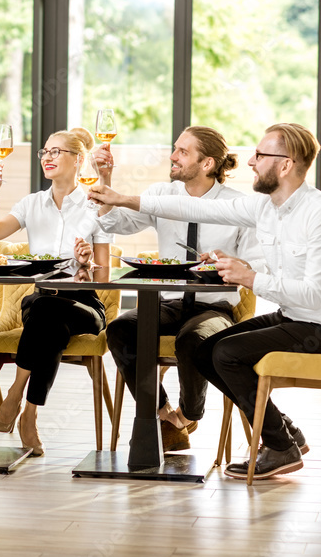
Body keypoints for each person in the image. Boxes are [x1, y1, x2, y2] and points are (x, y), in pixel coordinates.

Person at [89, 123, 321, 480]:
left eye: (260, 155)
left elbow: (314, 294)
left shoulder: (320, 213)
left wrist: (249, 276)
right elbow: (196, 209)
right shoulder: (266, 207)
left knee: (224, 353)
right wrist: (122, 198)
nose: (250, 161)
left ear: (285, 165)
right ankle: (286, 432)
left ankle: (280, 446)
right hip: (293, 316)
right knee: (207, 352)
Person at [93, 126, 263, 452]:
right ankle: (162, 412)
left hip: (214, 308)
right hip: (168, 303)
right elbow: (115, 223)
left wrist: (228, 262)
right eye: (175, 149)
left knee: (193, 339)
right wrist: (106, 180)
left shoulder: (238, 206)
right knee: (121, 329)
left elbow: (255, 265)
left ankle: (188, 415)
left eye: (183, 152)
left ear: (208, 163)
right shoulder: (161, 194)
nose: (173, 156)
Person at [0, 128, 111, 456]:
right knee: (46, 315)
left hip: (84, 305)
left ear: (78, 160)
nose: (48, 158)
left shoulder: (95, 206)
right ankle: (29, 414)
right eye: (44, 152)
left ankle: (15, 394)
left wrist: (85, 266)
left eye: (56, 152)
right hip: (43, 302)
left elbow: (104, 276)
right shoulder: (32, 203)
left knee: (46, 314)